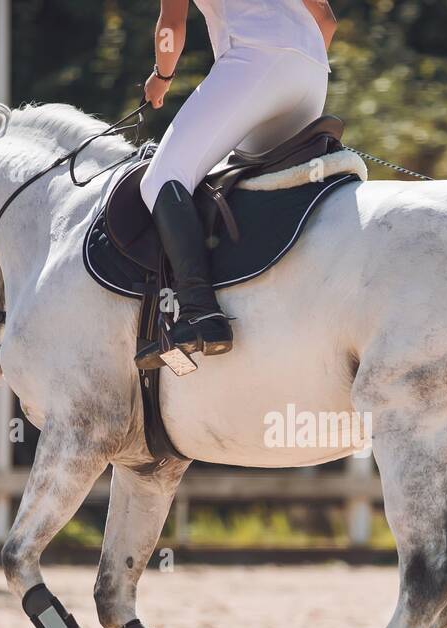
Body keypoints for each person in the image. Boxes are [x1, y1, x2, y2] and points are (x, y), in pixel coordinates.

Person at [134, 0, 338, 370]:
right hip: (312, 70)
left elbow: (171, 29)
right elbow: (325, 17)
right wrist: (296, 61)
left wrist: (161, 78)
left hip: (256, 59)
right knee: (241, 180)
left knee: (164, 177)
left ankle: (199, 312)